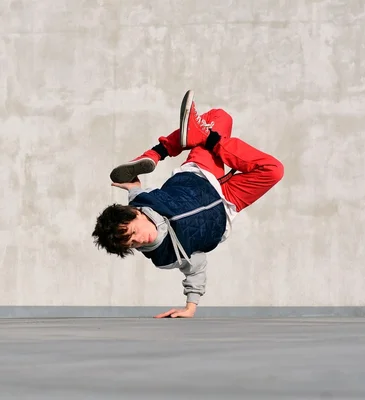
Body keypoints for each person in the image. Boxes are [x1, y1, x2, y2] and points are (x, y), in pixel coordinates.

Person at [92, 90, 284, 318]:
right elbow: (196, 267)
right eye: (132, 244)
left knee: (221, 116)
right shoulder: (165, 255)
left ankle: (157, 153)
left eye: (134, 232)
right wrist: (190, 307)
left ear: (137, 214)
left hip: (200, 175)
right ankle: (184, 142)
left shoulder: (142, 202)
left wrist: (131, 185)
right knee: (273, 170)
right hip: (227, 204)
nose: (139, 240)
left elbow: (135, 192)